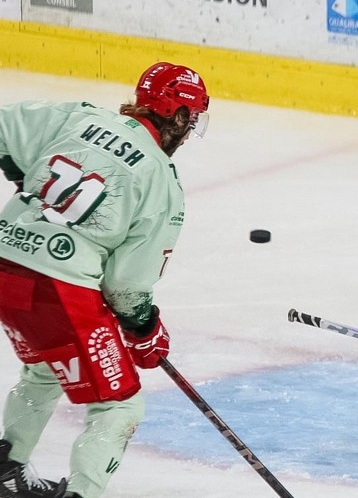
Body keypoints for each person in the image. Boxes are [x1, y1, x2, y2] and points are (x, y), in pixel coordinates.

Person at [0, 62, 210, 498]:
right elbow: (125, 288)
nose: (190, 133)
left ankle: (5, 471)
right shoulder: (161, 181)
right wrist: (144, 328)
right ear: (180, 116)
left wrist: (23, 175)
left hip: (4, 265)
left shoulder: (81, 117)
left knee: (45, 366)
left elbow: (6, 128)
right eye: (192, 120)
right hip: (55, 286)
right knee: (120, 405)